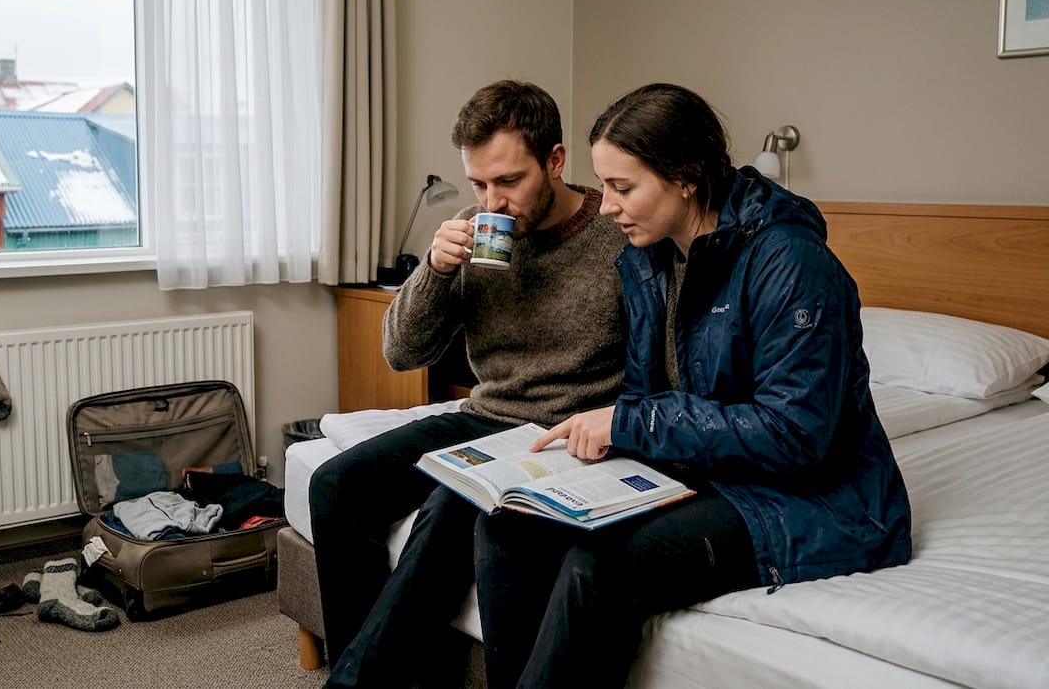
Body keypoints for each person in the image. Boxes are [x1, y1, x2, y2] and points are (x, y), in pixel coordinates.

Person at [472, 83, 913, 688]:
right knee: (508, 525)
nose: (605, 208)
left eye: (623, 189)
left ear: (686, 177)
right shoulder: (650, 258)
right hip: (703, 468)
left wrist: (630, 424)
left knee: (596, 565)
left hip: (807, 497)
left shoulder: (793, 263)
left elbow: (796, 435)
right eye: (605, 187)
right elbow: (655, 392)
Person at [309, 79, 629, 687]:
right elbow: (401, 353)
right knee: (336, 485)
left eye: (508, 182)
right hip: (485, 417)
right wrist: (432, 270)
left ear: (555, 161)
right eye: (479, 183)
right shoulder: (471, 226)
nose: (492, 202)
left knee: (447, 511)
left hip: (559, 434)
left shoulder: (616, 234)